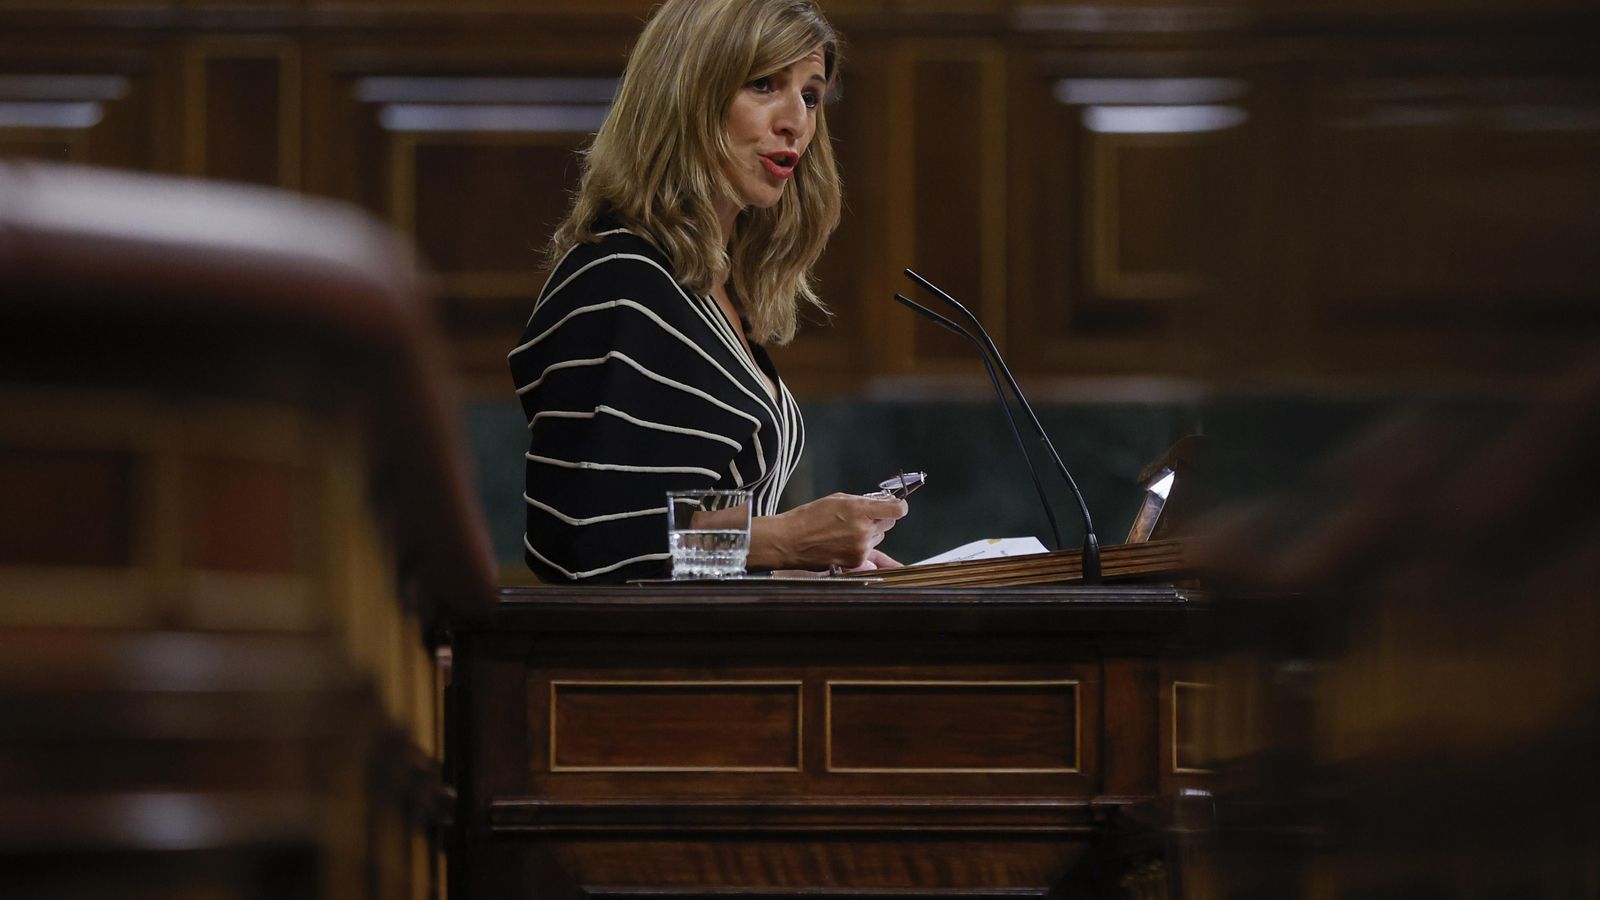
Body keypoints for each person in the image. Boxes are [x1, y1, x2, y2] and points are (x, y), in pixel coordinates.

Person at [509, 0, 908, 583]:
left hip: (719, 664)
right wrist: (786, 542)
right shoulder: (620, 277)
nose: (795, 119)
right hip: (643, 675)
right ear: (688, 93)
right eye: (764, 83)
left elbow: (685, 556)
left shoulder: (711, 288)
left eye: (811, 94)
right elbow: (583, 542)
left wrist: (809, 571)